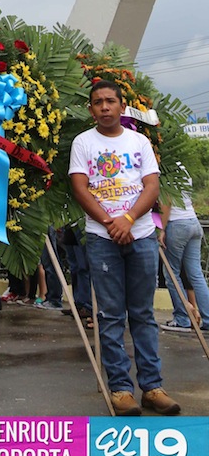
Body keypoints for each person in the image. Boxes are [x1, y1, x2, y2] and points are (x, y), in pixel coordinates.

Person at [69, 78, 180, 418]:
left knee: (143, 313)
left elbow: (151, 185)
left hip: (142, 234)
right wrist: (111, 223)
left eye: (110, 101)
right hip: (103, 240)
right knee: (111, 315)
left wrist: (129, 219)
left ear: (122, 106)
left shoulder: (140, 141)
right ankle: (121, 389)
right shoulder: (83, 142)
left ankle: (153, 387)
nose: (104, 107)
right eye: (98, 102)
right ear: (91, 109)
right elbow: (80, 187)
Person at [159, 175, 209, 332]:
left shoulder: (166, 171)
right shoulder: (184, 169)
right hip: (192, 221)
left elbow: (166, 201)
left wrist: (161, 228)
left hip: (177, 223)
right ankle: (207, 318)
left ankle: (182, 317)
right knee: (196, 274)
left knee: (171, 273)